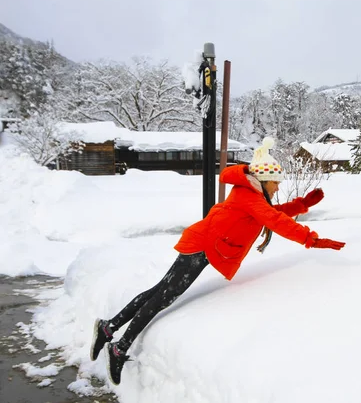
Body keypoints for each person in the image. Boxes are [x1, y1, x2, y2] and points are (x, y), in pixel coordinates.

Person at [90, 137, 346, 385]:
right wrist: (311, 239)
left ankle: (108, 328)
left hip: (203, 244)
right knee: (162, 298)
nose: (278, 187)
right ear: (265, 180)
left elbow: (270, 214)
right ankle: (120, 348)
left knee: (159, 292)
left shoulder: (252, 194)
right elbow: (274, 221)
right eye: (276, 182)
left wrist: (300, 205)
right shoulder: (249, 195)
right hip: (200, 247)